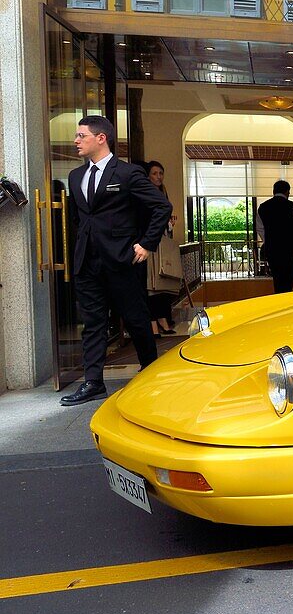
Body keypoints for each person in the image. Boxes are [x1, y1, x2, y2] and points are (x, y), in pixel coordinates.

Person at [62, 116, 171, 406]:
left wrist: (146, 244)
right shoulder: (75, 177)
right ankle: (93, 383)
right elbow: (79, 218)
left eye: (81, 135)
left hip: (122, 260)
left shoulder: (127, 174)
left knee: (136, 321)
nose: (76, 141)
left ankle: (151, 373)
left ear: (101, 138)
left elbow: (161, 207)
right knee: (94, 323)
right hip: (87, 262)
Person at [143, 161, 178, 337]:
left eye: (161, 173)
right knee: (152, 286)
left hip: (162, 243)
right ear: (148, 175)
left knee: (163, 284)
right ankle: (153, 323)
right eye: (155, 173)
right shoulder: (145, 192)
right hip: (150, 245)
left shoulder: (163, 192)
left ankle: (162, 319)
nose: (158, 177)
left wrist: (170, 223)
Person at [257, 180, 293, 293]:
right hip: (290, 250)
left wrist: (268, 241)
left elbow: (260, 228)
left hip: (272, 249)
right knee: (289, 278)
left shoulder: (262, 207)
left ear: (273, 191)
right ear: (287, 192)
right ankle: (285, 298)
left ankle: (280, 296)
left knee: (277, 278)